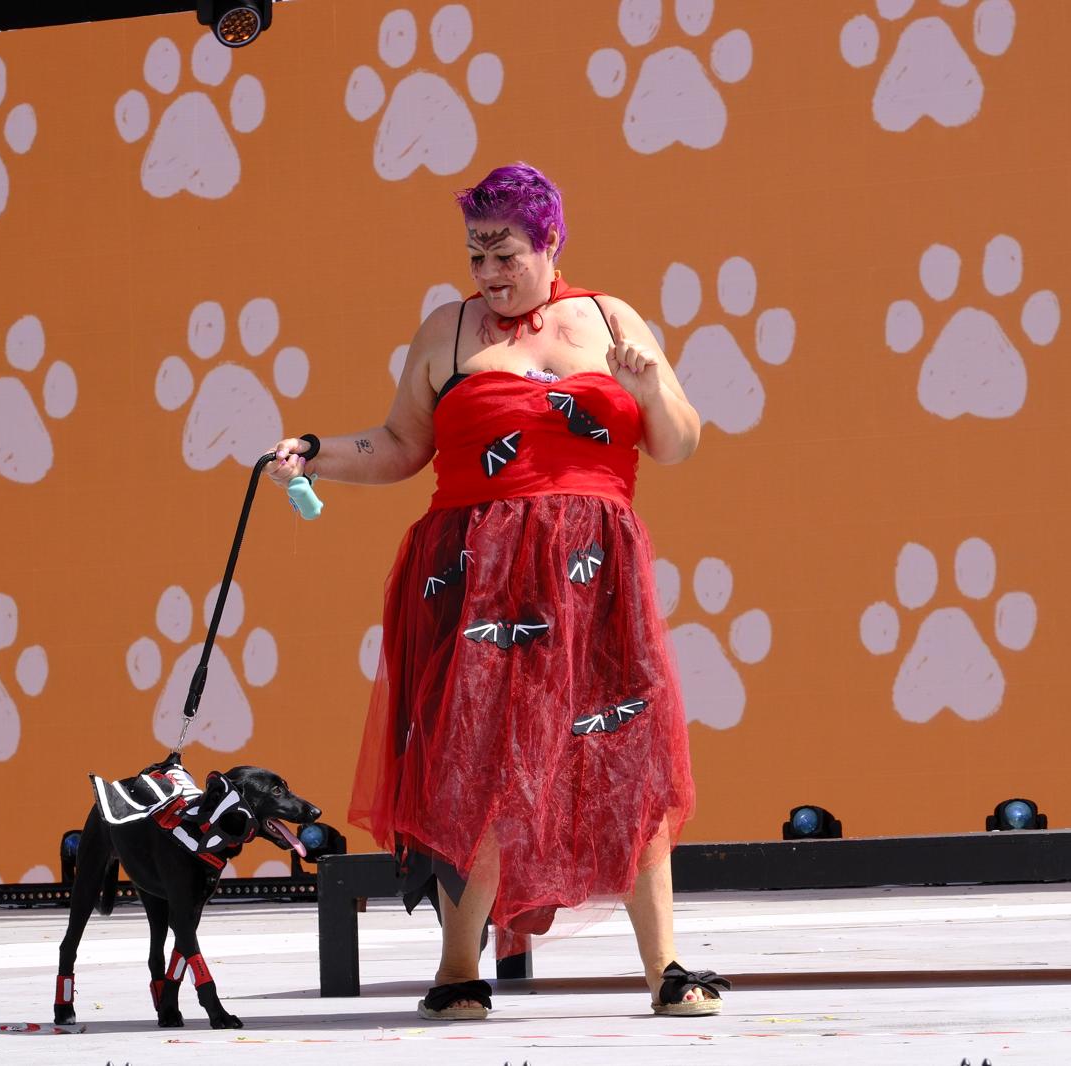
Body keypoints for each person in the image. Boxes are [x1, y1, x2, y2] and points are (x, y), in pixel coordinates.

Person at [269, 163, 729, 1019]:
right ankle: (457, 969)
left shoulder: (609, 319)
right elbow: (400, 444)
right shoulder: (446, 333)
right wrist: (311, 447)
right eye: (475, 254)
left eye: (504, 253)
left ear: (549, 243)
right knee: (476, 764)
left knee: (622, 755)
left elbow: (678, 442)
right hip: (474, 573)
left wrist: (648, 385)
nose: (487, 272)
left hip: (592, 568)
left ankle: (665, 968)